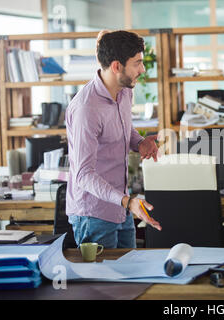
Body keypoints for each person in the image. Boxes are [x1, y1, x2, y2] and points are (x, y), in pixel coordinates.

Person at [66, 30, 162, 249]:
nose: (143, 69)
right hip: (93, 214)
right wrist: (127, 201)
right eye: (137, 63)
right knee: (103, 282)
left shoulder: (124, 91)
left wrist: (139, 142)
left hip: (120, 205)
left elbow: (122, 128)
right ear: (117, 66)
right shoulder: (86, 109)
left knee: (130, 277)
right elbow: (83, 175)